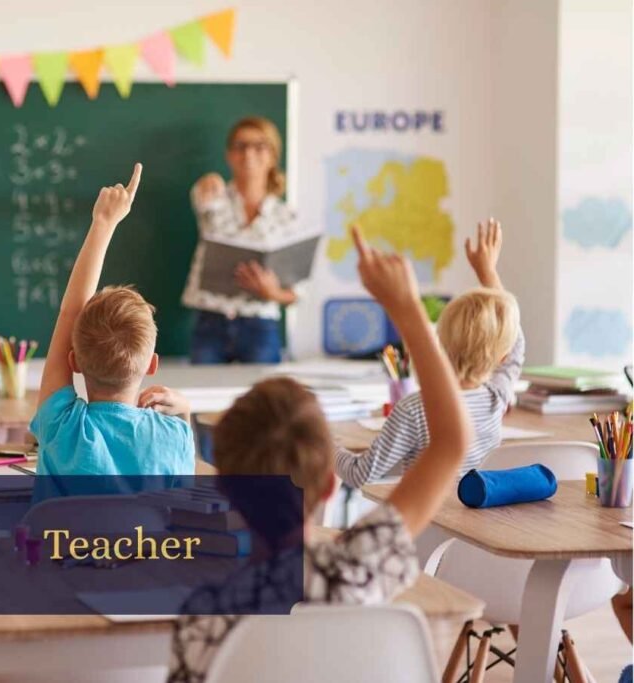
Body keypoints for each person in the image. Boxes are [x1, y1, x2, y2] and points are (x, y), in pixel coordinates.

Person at [168, 226, 472, 681]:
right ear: (331, 482)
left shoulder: (206, 614)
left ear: (226, 488)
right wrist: (407, 310)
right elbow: (451, 443)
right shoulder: (360, 568)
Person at [31, 164, 195, 476]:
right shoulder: (173, 437)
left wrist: (103, 223)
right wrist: (184, 410)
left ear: (73, 361)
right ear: (151, 364)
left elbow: (70, 313)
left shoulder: (62, 428)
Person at [335, 219, 524, 487]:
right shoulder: (496, 399)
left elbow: (359, 474)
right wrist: (487, 271)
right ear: (502, 356)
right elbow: (515, 346)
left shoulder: (415, 409)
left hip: (427, 524)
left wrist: (325, 445)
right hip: (473, 523)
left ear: (440, 341)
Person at [181, 116, 307, 364]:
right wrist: (207, 183)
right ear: (229, 155)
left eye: (259, 146)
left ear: (272, 156)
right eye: (241, 146)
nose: (249, 153)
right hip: (210, 322)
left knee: (264, 401)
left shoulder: (287, 217)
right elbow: (200, 196)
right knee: (203, 397)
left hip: (260, 325)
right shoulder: (213, 197)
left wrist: (273, 293)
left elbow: (297, 292)